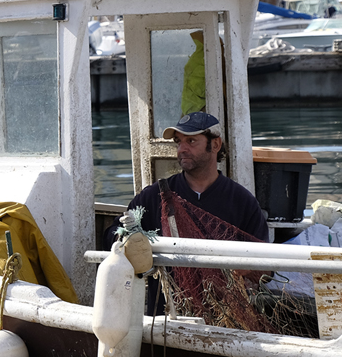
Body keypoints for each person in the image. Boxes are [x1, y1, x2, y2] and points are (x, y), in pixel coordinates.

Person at [108, 111, 269, 314]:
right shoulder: (155, 195)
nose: (182, 149)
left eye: (191, 141)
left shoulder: (242, 201)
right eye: (178, 142)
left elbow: (266, 266)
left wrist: (242, 268)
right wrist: (127, 243)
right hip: (166, 320)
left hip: (225, 322)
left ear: (215, 145)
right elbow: (114, 232)